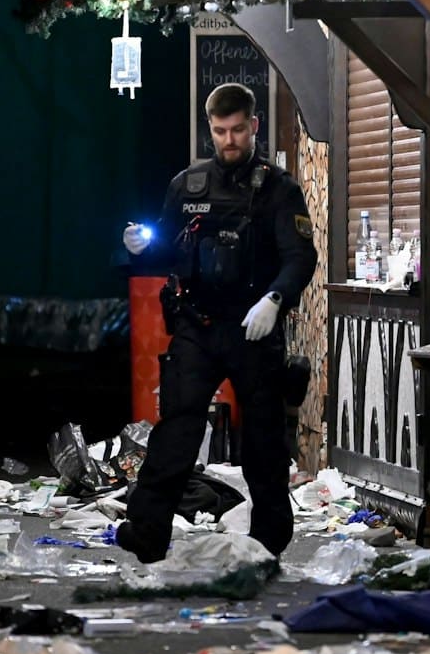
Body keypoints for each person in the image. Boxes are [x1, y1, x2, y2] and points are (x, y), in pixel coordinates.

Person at [115, 83, 317, 561]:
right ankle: (146, 533)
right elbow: (168, 248)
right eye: (221, 131)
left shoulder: (278, 189)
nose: (229, 140)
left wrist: (275, 299)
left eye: (238, 130)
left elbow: (300, 257)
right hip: (198, 326)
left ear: (254, 126)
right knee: (176, 432)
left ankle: (268, 543)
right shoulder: (189, 186)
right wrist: (140, 247)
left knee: (264, 442)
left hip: (253, 328)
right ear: (210, 128)